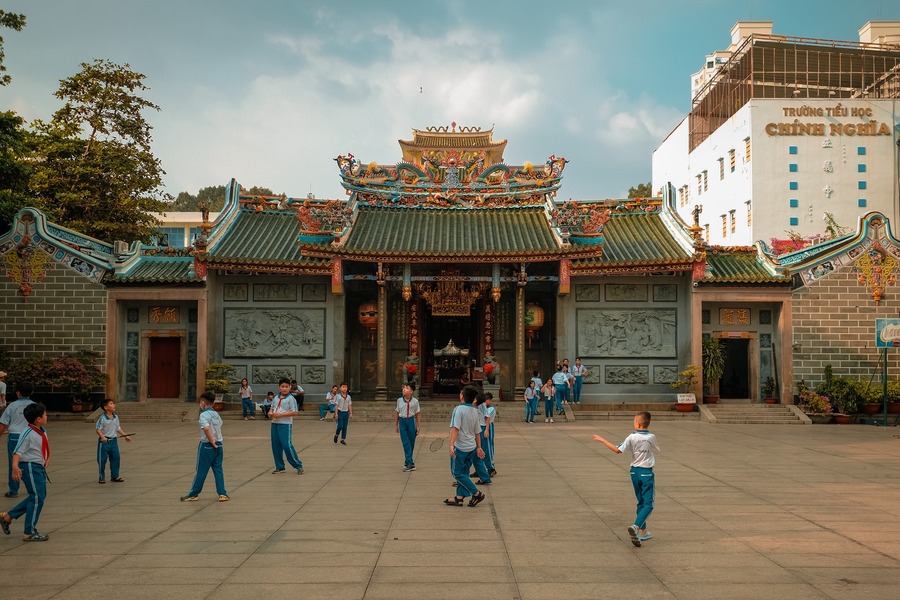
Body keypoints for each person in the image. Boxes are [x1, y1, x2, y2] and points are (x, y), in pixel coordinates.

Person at [592, 411, 661, 547]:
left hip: (634, 472)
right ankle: (636, 526)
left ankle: (642, 532)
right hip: (647, 473)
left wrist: (602, 440)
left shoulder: (631, 437)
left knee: (641, 502)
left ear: (638, 424)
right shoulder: (652, 437)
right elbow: (654, 448)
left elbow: (617, 450)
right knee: (649, 504)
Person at [0, 402, 51, 541]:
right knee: (37, 497)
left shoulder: (41, 430)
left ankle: (8, 516)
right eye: (45, 415)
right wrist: (15, 467)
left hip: (38, 467)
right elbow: (17, 452)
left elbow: (42, 446)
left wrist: (46, 458)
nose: (47, 416)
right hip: (30, 467)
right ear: (38, 419)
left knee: (38, 496)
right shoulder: (27, 433)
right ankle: (29, 532)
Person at [181, 392, 229, 502]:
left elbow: (206, 429)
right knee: (218, 470)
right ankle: (222, 494)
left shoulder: (204, 415)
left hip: (207, 446)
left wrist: (212, 442)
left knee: (201, 471)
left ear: (203, 402)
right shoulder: (216, 414)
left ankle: (194, 494)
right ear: (213, 403)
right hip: (219, 445)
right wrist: (216, 443)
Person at [444, 385, 486, 508]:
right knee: (464, 473)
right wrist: (479, 447)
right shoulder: (475, 410)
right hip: (471, 447)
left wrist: (451, 445)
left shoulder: (458, 409)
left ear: (462, 396)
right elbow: (477, 432)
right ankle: (459, 497)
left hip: (461, 447)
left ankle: (476, 493)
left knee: (457, 473)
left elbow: (455, 429)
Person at [0, 381, 36, 499]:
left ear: (17, 392)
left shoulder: (12, 406)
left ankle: (13, 490)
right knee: (30, 461)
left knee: (14, 463)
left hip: (15, 437)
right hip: (30, 436)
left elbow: (3, 423)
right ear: (31, 392)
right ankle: (33, 487)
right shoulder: (35, 406)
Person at [270, 378, 304, 474]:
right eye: (282, 386)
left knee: (286, 445)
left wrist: (280, 415)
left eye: (286, 387)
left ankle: (298, 465)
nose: (284, 389)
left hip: (285, 424)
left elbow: (294, 412)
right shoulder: (276, 398)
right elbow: (272, 408)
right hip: (275, 423)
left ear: (289, 387)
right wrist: (270, 412)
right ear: (279, 387)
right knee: (276, 445)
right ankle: (280, 467)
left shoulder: (291, 399)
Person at [96, 398, 131, 484]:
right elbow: (98, 429)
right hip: (104, 442)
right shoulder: (102, 418)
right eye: (111, 404)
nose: (114, 405)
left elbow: (118, 428)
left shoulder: (115, 417)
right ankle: (101, 477)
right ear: (106, 407)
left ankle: (115, 476)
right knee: (102, 460)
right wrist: (102, 437)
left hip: (114, 441)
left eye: (113, 403)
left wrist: (125, 436)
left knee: (116, 458)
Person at [394, 383, 420, 472]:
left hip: (411, 421)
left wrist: (418, 426)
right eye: (404, 388)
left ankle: (408, 461)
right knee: (406, 443)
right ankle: (410, 463)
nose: (404, 389)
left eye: (407, 388)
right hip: (402, 421)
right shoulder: (399, 401)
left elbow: (417, 414)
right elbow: (397, 412)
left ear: (411, 391)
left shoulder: (415, 401)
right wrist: (396, 425)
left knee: (411, 443)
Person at [480, 392, 497, 477]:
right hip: (480, 427)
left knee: (487, 448)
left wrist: (486, 430)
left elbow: (487, 417)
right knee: (480, 449)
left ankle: (491, 468)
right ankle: (480, 469)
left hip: (487, 427)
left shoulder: (491, 409)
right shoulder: (481, 407)